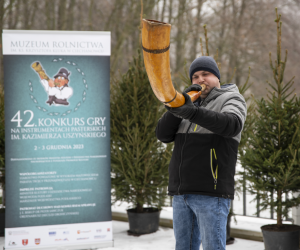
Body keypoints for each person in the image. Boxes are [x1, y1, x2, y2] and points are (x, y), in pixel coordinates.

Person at [156, 56, 247, 250]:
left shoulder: (231, 98)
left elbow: (231, 125)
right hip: (181, 193)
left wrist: (191, 113)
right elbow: (163, 135)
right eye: (195, 76)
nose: (200, 80)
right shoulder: (188, 104)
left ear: (217, 78)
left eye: (206, 74)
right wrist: (176, 106)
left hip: (211, 193)